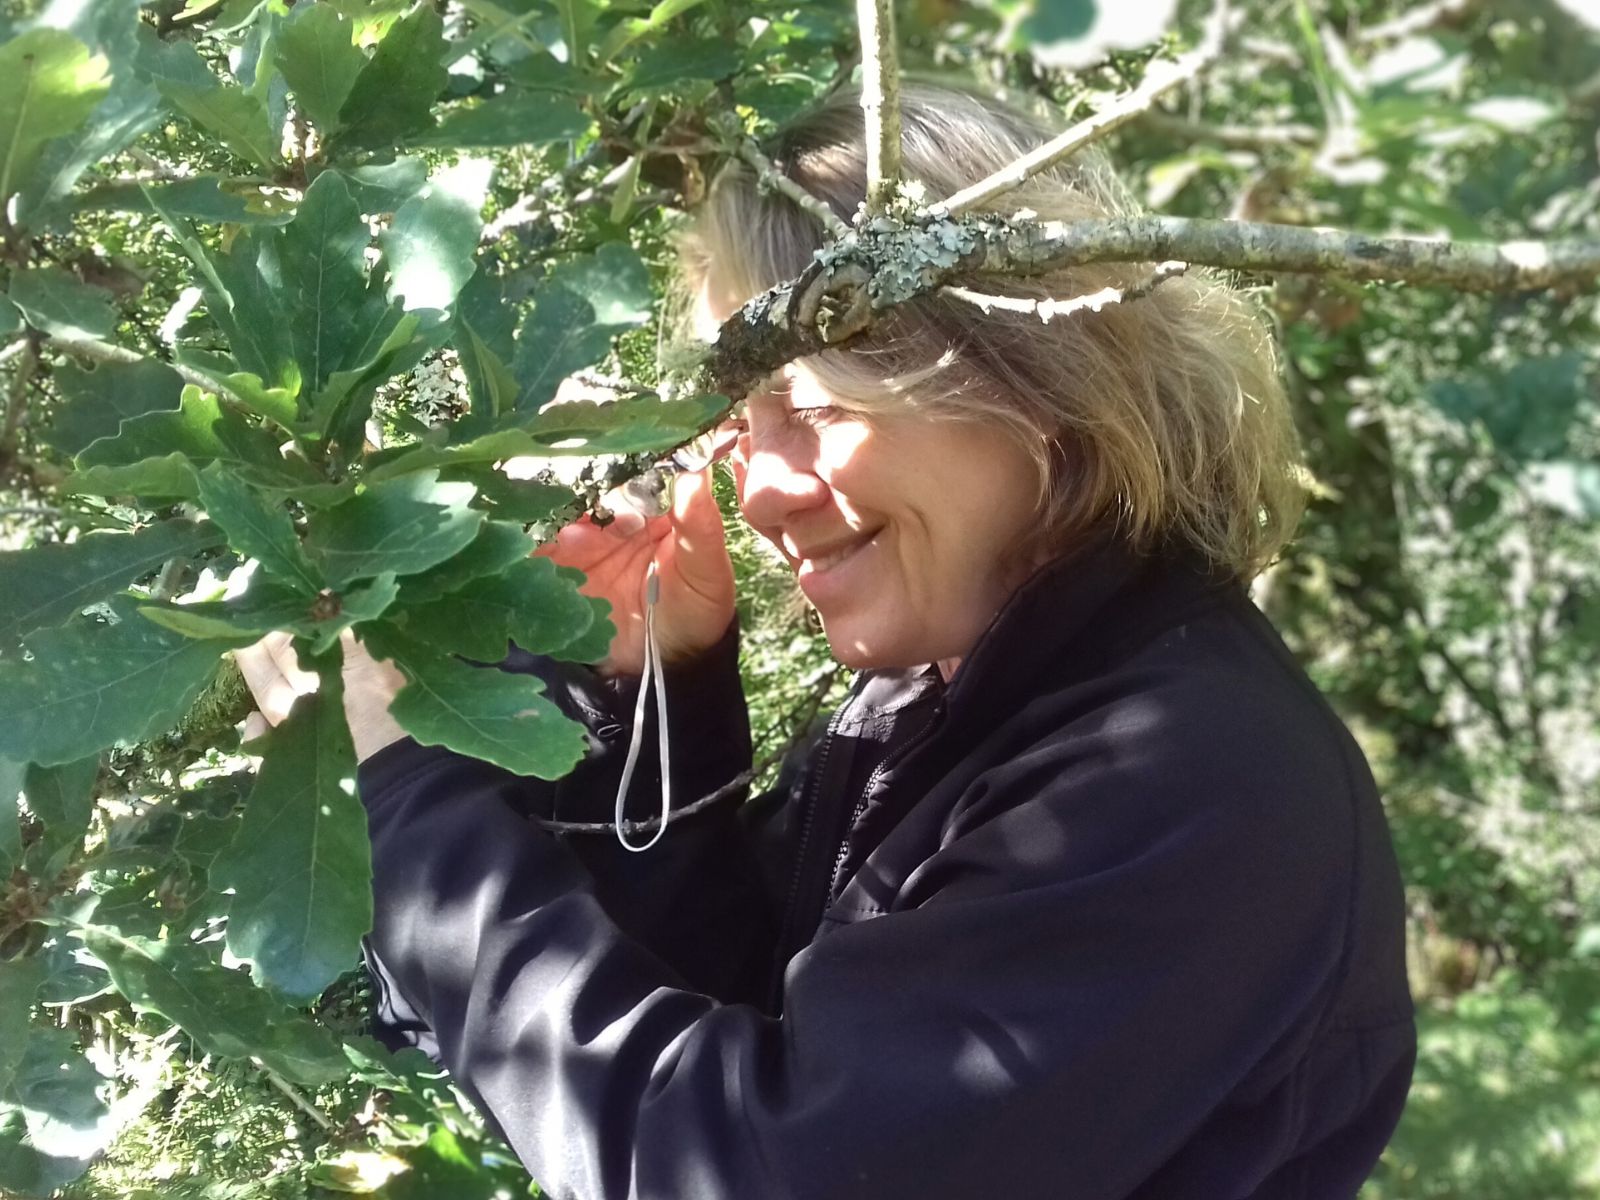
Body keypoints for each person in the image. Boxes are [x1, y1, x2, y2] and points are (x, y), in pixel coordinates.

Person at [237, 83, 1416, 1199]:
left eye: (808, 411)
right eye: (735, 428)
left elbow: (744, 1171)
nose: (759, 493)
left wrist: (404, 792)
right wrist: (662, 698)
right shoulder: (945, 706)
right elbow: (746, 1029)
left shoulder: (1186, 779)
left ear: (1037, 382)